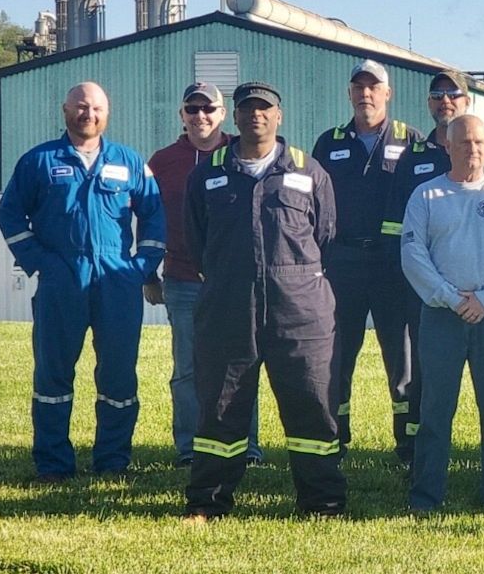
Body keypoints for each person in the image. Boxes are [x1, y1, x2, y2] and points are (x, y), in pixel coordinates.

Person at [183, 82, 345, 519]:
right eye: (247, 109)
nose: (256, 115)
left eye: (265, 109)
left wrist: (289, 278)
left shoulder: (309, 172)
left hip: (300, 309)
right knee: (221, 407)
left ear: (280, 116)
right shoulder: (208, 174)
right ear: (234, 118)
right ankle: (208, 503)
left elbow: (326, 236)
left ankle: (322, 503)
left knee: (312, 404)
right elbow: (197, 240)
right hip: (228, 306)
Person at [0, 81, 165, 481]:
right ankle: (54, 463)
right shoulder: (38, 161)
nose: (88, 114)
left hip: (116, 281)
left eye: (96, 108)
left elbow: (155, 215)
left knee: (119, 374)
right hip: (62, 280)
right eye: (80, 107)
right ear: (65, 110)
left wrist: (140, 266)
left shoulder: (128, 161)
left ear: (107, 113)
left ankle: (112, 461)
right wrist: (41, 262)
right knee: (53, 374)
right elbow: (9, 215)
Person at [402, 114, 484, 513]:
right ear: (448, 146)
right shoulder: (426, 196)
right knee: (436, 408)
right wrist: (449, 297)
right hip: (441, 315)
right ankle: (426, 495)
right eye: (464, 143)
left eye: (479, 142)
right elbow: (412, 254)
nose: (473, 150)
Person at [381, 69, 484, 448]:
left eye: (453, 95)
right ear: (429, 103)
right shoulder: (416, 156)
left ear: (466, 101)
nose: (446, 102)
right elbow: (399, 229)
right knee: (428, 381)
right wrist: (421, 285)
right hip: (428, 294)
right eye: (438, 96)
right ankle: (414, 455)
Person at [312, 59, 424, 463]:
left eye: (373, 87)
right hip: (343, 264)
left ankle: (408, 443)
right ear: (349, 94)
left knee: (403, 361)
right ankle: (335, 438)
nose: (366, 94)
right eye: (359, 87)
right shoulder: (330, 142)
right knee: (337, 355)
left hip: (393, 267)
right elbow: (314, 202)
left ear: (388, 94)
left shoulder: (411, 140)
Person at [144, 81, 261, 468]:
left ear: (223, 114)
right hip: (181, 281)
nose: (200, 117)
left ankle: (247, 445)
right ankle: (190, 447)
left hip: (235, 282)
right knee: (188, 369)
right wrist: (148, 273)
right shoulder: (162, 161)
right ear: (182, 115)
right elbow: (146, 218)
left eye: (208, 109)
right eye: (192, 110)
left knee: (241, 364)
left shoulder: (240, 154)